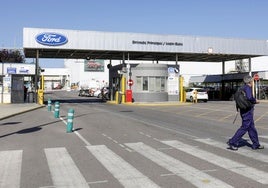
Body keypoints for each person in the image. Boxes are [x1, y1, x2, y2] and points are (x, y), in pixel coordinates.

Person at [227, 75, 264, 150]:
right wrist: (255, 101)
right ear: (250, 81)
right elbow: (250, 97)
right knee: (245, 127)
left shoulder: (241, 88)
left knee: (251, 127)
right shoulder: (248, 88)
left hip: (243, 109)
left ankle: (256, 144)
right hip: (247, 110)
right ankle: (233, 142)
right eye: (252, 81)